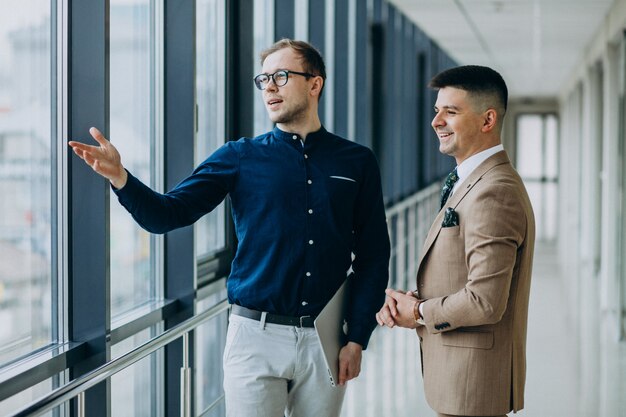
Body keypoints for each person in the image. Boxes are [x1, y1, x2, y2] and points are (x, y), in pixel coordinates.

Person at [69, 39, 390, 417]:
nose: (269, 87)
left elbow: (373, 255)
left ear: (314, 83)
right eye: (264, 79)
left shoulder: (357, 162)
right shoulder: (239, 157)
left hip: (326, 338)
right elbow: (166, 214)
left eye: (281, 76)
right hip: (255, 337)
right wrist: (121, 178)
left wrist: (357, 339)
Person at [376, 65, 535, 417]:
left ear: (487, 120)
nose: (436, 121)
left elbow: (484, 301)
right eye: (437, 110)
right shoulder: (471, 181)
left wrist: (417, 313)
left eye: (451, 111)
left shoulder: (495, 192)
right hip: (459, 377)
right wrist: (413, 300)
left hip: (472, 386)